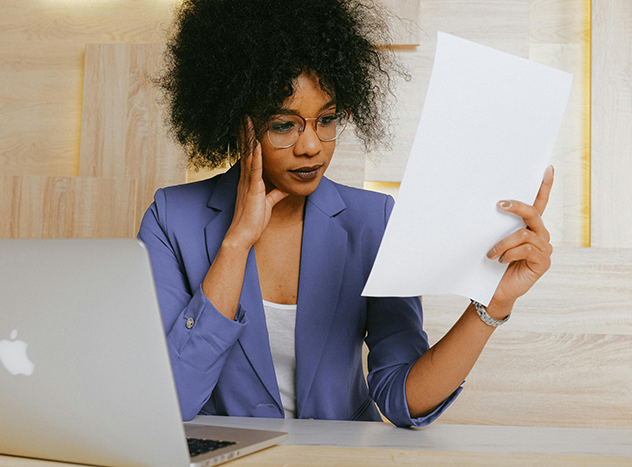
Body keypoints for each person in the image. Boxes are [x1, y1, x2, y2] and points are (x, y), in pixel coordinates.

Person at [138, 0, 553, 428]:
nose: (311, 146)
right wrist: (236, 242)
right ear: (235, 121)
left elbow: (401, 400)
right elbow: (172, 400)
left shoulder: (373, 221)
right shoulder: (171, 221)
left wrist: (494, 301)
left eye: (327, 119)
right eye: (284, 125)